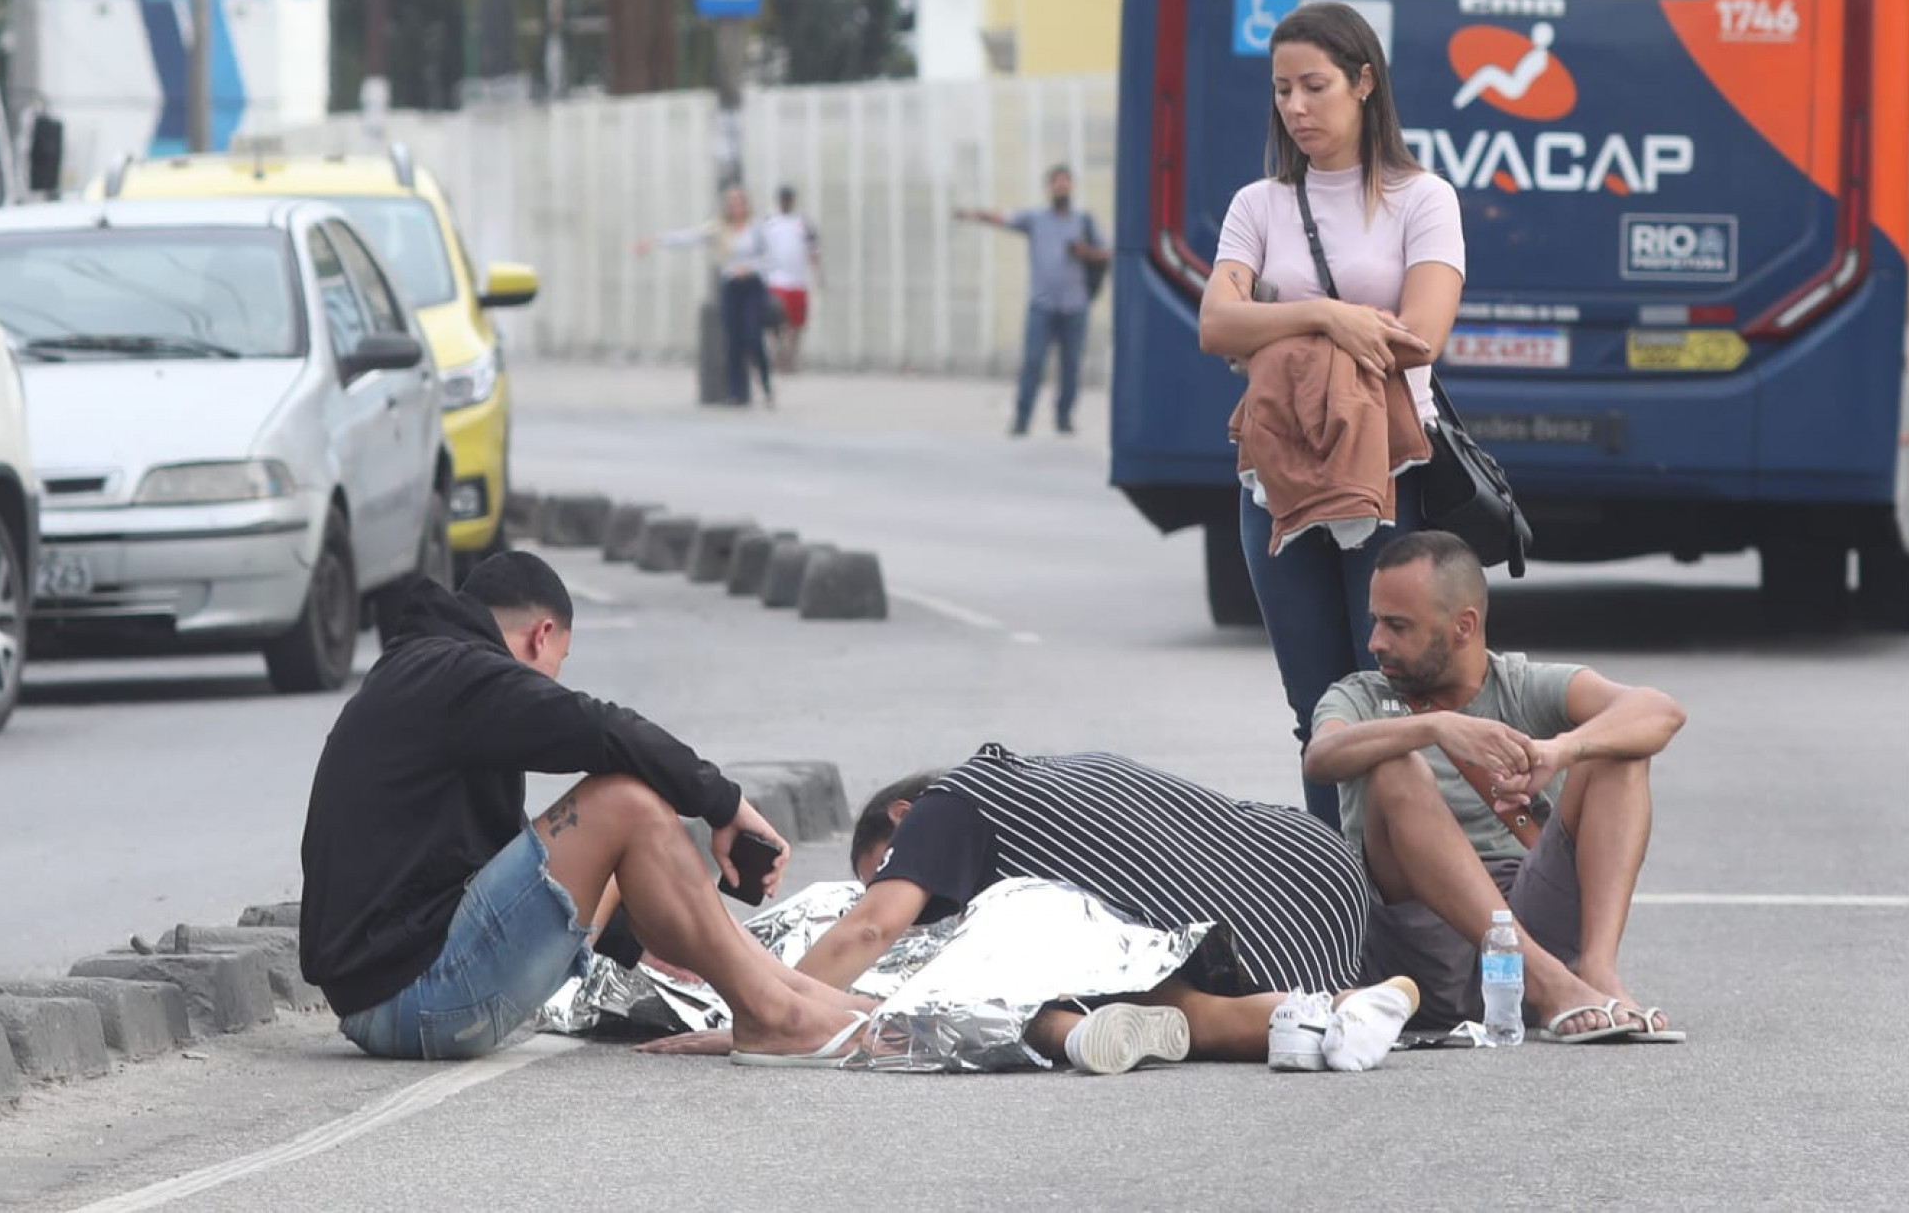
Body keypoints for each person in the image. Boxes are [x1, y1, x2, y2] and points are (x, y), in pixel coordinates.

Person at [298, 552, 868, 1064]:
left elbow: (494, 863)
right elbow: (600, 727)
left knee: (614, 822)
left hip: (394, 995)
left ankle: (805, 998)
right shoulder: (460, 676)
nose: (554, 680)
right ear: (541, 636)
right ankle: (773, 1015)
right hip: (413, 1000)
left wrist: (643, 940)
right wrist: (725, 804)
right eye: (560, 662)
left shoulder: (428, 673)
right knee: (623, 802)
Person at [646, 744, 1423, 1074]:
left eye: (887, 865)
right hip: (1313, 864)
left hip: (1256, 916)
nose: (905, 897)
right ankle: (1348, 1008)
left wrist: (762, 1008)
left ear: (905, 817)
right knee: (1126, 977)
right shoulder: (1036, 780)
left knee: (1131, 985)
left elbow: (871, 927)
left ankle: (1331, 1009)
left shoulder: (952, 803)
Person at [1196, 0, 1466, 833]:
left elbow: (1420, 337)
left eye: (1315, 86)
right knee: (1314, 707)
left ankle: (1404, 881)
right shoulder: (1259, 204)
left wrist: (1276, 318)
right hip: (1273, 478)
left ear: (1364, 82)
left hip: (1386, 473)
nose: (1296, 107)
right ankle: (1335, 881)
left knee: (1387, 697)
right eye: (1282, 90)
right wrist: (1330, 317)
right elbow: (1217, 324)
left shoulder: (1422, 199)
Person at [1306, 531, 1688, 1042]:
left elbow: (1660, 711)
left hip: (1530, 912)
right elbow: (1321, 757)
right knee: (1395, 767)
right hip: (1426, 950)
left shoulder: (1520, 686)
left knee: (1618, 750)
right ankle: (1550, 983)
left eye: (1397, 626)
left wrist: (1560, 751)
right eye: (1375, 621)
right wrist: (1435, 728)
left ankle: (1596, 973)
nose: (1376, 641)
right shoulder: (1359, 696)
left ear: (1463, 626)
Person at [954, 165, 1109, 437]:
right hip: (1042, 306)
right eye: (1056, 183)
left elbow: (1106, 254)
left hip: (1075, 306)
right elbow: (1002, 218)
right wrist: (973, 214)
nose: (1061, 187)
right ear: (1049, 188)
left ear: (1072, 187)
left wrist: (1084, 251)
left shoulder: (1084, 221)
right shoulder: (1036, 219)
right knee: (1033, 363)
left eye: (1065, 183)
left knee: (1071, 365)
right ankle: (1022, 418)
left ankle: (1064, 417)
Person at [636, 185, 775, 407]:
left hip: (752, 285)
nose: (735, 206)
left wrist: (751, 268)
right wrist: (655, 241)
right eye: (731, 202)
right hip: (731, 286)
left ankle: (766, 385)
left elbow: (770, 258)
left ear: (746, 204)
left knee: (752, 336)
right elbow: (689, 237)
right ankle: (736, 393)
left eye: (739, 201)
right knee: (733, 339)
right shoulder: (719, 228)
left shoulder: (756, 229)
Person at [760, 185, 822, 374]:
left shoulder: (802, 222)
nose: (786, 202)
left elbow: (814, 250)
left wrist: (818, 273)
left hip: (798, 281)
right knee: (775, 322)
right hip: (776, 280)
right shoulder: (769, 221)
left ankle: (790, 358)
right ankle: (776, 356)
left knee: (796, 324)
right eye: (783, 198)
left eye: (788, 198)